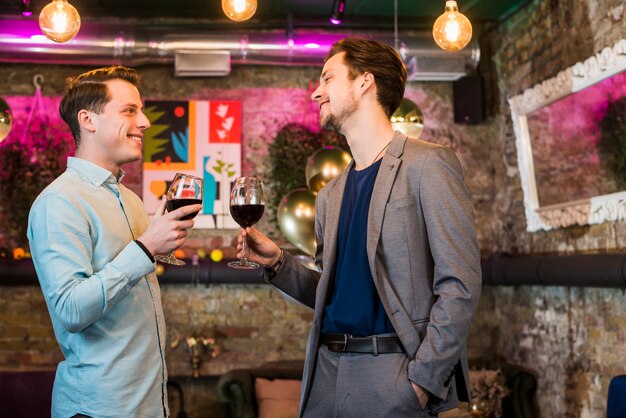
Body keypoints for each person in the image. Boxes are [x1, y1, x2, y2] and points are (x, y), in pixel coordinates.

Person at [237, 38, 482, 417]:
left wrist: (422, 382)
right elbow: (335, 293)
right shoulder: (329, 195)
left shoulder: (428, 165)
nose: (316, 92)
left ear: (364, 82)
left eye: (327, 78)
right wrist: (278, 264)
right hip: (325, 374)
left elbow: (460, 285)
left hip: (395, 375)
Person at [27, 66, 201, 418]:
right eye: (129, 111)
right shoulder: (59, 202)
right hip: (98, 409)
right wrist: (146, 248)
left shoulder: (131, 200)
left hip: (150, 405)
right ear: (87, 120)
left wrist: (159, 244)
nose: (146, 122)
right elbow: (70, 309)